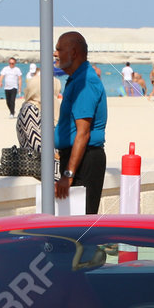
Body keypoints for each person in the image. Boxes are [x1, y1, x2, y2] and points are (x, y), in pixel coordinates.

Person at [54, 30, 108, 213]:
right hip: (76, 158)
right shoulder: (76, 80)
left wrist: (69, 174)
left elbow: (83, 133)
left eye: (59, 49)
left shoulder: (85, 82)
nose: (55, 54)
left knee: (81, 226)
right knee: (70, 226)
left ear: (74, 52)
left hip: (85, 160)